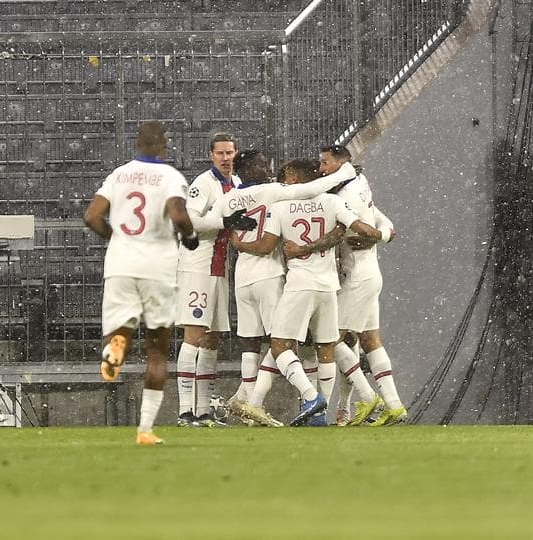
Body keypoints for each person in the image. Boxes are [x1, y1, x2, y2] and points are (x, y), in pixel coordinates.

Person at [230, 158, 383, 426]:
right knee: (327, 348)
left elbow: (266, 246)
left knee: (279, 345)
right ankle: (327, 413)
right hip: (329, 286)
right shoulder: (332, 202)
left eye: (285, 178)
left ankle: (310, 399)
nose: (282, 183)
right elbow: (357, 229)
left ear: (294, 177)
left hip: (299, 285)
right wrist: (379, 235)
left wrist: (238, 244)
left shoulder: (281, 206)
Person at [83, 121, 205, 445]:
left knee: (121, 327)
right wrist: (190, 236)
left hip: (121, 264)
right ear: (164, 145)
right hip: (157, 266)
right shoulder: (169, 177)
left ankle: (116, 345)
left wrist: (116, 238)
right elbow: (178, 215)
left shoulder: (119, 174)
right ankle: (145, 430)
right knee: (157, 349)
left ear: (136, 144)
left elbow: (91, 216)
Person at [315, 145, 406, 426]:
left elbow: (343, 232)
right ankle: (394, 406)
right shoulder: (360, 182)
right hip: (371, 273)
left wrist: (306, 247)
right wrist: (383, 235)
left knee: (329, 338)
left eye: (325, 162)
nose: (321, 168)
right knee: (370, 340)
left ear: (341, 162)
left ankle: (365, 398)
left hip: (356, 278)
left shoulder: (345, 196)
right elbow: (380, 217)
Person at [173, 132, 256, 428]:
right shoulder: (203, 183)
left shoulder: (236, 184)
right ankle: (185, 411)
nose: (225, 158)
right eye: (220, 153)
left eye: (229, 152)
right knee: (195, 334)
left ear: (236, 153)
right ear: (211, 156)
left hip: (219, 268)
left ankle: (203, 410)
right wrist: (224, 222)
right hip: (197, 266)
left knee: (211, 339)